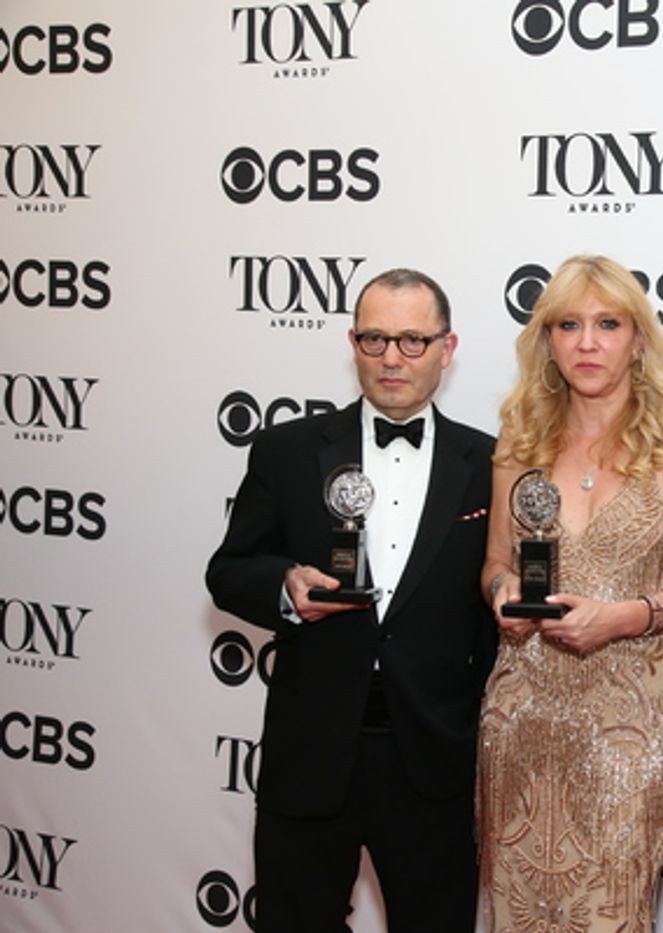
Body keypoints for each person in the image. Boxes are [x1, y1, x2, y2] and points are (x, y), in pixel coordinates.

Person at [206, 268, 496, 932]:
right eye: (374, 338)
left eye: (412, 341)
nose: (392, 357)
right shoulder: (286, 450)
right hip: (311, 750)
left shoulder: (491, 462)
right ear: (352, 342)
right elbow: (229, 569)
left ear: (447, 348)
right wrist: (284, 585)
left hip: (435, 762)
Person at [477, 254, 663, 932]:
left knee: (611, 916)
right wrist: (502, 592)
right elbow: (496, 561)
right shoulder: (519, 436)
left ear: (638, 337)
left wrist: (624, 616)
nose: (587, 342)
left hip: (631, 726)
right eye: (568, 324)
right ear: (547, 340)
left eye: (608, 323)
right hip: (523, 715)